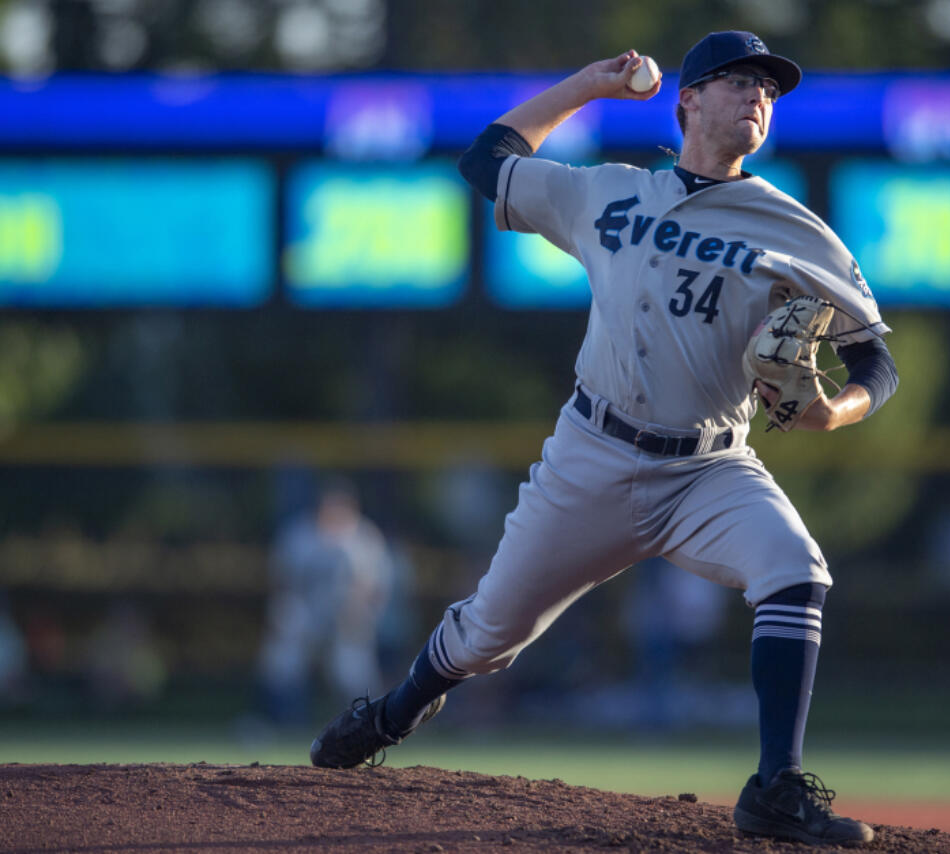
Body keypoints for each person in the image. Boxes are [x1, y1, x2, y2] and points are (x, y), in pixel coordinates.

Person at [310, 30, 898, 846]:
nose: (759, 96)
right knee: (487, 635)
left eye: (770, 88)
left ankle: (775, 788)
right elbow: (486, 161)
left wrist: (838, 412)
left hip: (711, 468)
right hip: (593, 454)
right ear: (688, 99)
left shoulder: (796, 229)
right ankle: (392, 714)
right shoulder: (610, 193)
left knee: (796, 570)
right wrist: (587, 84)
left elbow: (876, 360)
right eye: (739, 81)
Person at [259, 478, 394, 724]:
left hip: (346, 615)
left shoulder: (364, 537)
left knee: (353, 672)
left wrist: (362, 613)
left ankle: (365, 725)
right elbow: (281, 581)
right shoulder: (300, 534)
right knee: (283, 661)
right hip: (307, 611)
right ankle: (283, 721)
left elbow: (376, 586)